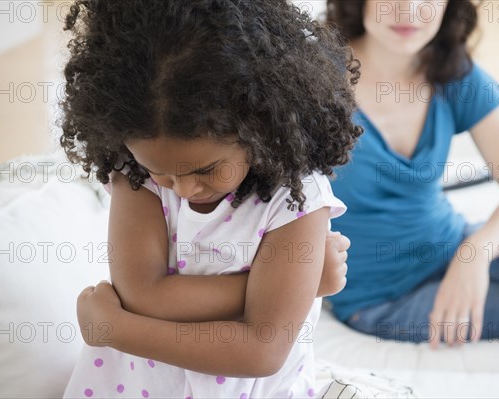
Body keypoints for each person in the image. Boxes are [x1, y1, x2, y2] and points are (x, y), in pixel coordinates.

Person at [59, 0, 363, 397]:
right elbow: (142, 293)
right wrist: (292, 288)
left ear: (261, 127)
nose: (182, 189)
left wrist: (115, 330)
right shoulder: (134, 172)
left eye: (204, 170)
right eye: (163, 172)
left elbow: (262, 349)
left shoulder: (296, 198)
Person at [325, 0, 499, 353]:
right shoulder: (315, 77)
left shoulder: (451, 71)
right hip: (383, 298)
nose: (409, 11)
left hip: (453, 242)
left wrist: (474, 254)